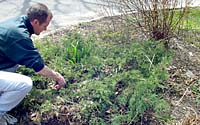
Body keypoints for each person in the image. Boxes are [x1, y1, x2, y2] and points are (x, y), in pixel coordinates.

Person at [0, 3, 66, 125]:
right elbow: (38, 67)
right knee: (24, 84)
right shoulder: (19, 35)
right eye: (45, 25)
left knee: (14, 64)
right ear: (35, 22)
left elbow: (29, 57)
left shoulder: (18, 22)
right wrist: (58, 77)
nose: (46, 29)